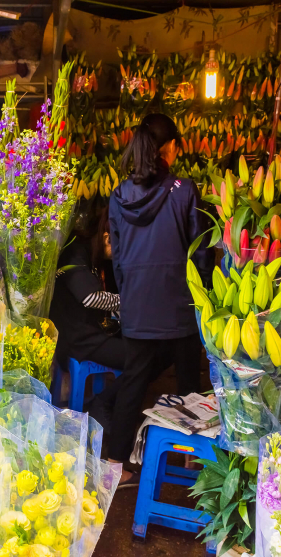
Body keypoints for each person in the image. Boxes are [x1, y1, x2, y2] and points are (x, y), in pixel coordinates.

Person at [104, 113, 214, 487]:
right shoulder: (184, 189)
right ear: (170, 148)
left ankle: (117, 464)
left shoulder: (118, 196)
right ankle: (187, 462)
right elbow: (199, 251)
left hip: (137, 302)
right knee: (188, 382)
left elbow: (117, 258)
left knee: (133, 381)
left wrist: (128, 295)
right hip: (179, 302)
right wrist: (204, 297)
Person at [49, 209, 124, 373]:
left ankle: (108, 398)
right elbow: (90, 297)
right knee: (142, 359)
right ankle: (104, 399)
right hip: (79, 339)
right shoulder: (76, 250)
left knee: (146, 356)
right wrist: (130, 302)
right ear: (107, 238)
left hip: (91, 333)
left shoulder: (98, 257)